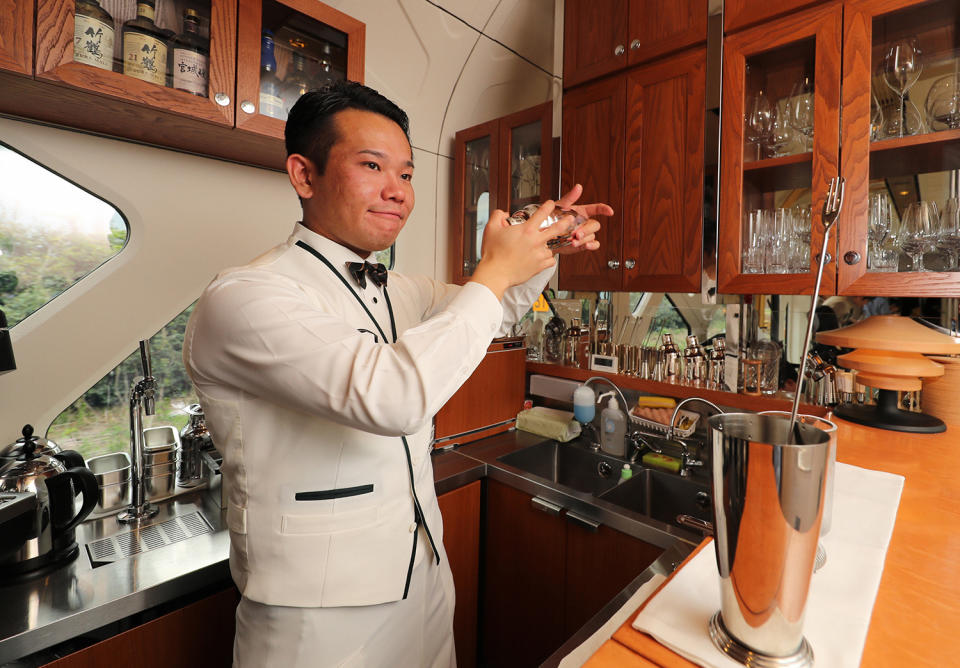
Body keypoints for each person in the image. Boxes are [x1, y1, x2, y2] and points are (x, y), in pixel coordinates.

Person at [183, 81, 612, 667]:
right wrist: (492, 272)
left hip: (425, 578)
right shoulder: (246, 298)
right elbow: (393, 397)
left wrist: (544, 245)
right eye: (372, 166)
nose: (397, 191)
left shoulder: (395, 288)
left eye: (407, 175)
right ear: (304, 175)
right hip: (318, 618)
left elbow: (493, 311)